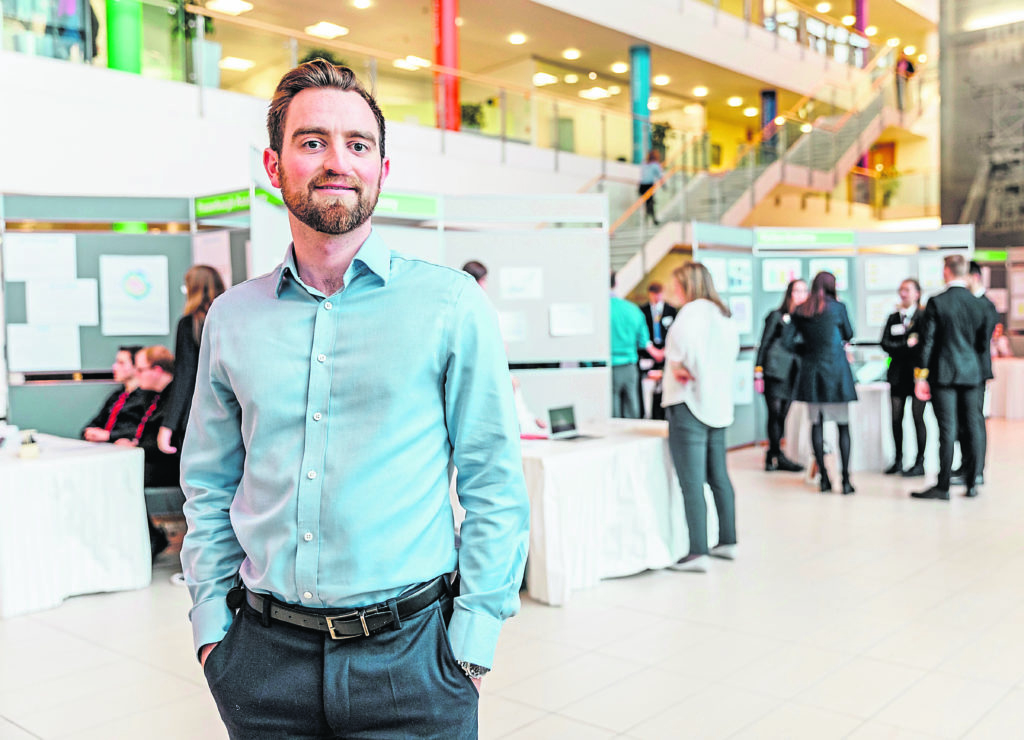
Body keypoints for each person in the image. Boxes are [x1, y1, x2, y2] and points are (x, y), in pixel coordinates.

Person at [180, 60, 529, 739]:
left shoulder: (450, 305)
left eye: (358, 144)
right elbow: (207, 482)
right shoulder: (232, 318)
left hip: (415, 661)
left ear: (382, 170)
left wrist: (473, 641)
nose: (338, 160)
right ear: (274, 166)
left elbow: (494, 478)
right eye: (312, 141)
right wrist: (212, 632)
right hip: (261, 661)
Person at [662, 262, 739, 573]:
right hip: (718, 406)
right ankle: (727, 540)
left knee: (691, 480)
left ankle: (697, 551)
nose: (673, 291)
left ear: (688, 285)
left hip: (688, 404)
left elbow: (681, 359)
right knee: (718, 475)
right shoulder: (723, 315)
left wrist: (684, 370)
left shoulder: (689, 316)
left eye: (676, 285)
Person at [912, 255, 989, 500]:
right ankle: (973, 481)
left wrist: (921, 375)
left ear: (946, 271)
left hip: (944, 373)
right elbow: (982, 342)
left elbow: (928, 343)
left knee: (947, 428)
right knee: (974, 425)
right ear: (965, 272)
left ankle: (943, 485)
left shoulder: (937, 302)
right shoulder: (979, 303)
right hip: (972, 373)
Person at [790, 272, 858, 494]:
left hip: (813, 375)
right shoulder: (837, 307)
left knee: (816, 425)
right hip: (836, 373)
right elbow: (849, 333)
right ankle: (846, 480)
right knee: (843, 427)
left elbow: (787, 341)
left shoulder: (802, 309)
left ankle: (824, 479)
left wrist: (807, 352)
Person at [111, 345, 179, 557]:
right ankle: (147, 537)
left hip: (171, 465)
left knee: (122, 476)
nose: (137, 375)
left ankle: (152, 538)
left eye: (140, 370)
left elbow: (171, 445)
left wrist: (136, 447)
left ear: (157, 370)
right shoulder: (153, 396)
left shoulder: (175, 400)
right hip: (152, 458)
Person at [157, 265, 225, 455]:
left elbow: (185, 376)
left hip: (198, 415)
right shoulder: (232, 319)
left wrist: (168, 425)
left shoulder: (190, 324)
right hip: (230, 412)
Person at [950, 260, 999, 486]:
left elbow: (981, 342)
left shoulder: (985, 305)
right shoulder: (968, 303)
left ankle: (977, 471)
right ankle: (966, 465)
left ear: (974, 277)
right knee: (962, 421)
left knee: (974, 420)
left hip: (976, 372)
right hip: (961, 371)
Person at [755, 279, 807, 472]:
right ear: (790, 293)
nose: (801, 295)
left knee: (783, 414)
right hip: (775, 370)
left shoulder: (805, 319)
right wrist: (758, 371)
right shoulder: (776, 316)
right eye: (797, 291)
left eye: (804, 291)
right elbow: (765, 342)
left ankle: (773, 454)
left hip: (794, 372)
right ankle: (775, 454)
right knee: (774, 413)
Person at [880, 279, 928, 477]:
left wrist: (902, 348)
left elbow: (923, 345)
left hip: (917, 375)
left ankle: (920, 461)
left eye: (907, 290)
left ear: (917, 293)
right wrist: (905, 346)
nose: (903, 293)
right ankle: (898, 459)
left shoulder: (923, 317)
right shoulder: (893, 318)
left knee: (918, 417)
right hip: (897, 375)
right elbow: (884, 343)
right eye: (901, 290)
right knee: (896, 418)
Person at [610, 272, 662, 418]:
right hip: (630, 368)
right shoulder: (633, 310)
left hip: (607, 369)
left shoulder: (599, 309)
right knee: (632, 411)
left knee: (612, 412)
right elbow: (644, 342)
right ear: (616, 284)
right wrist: (659, 354)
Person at [80, 344, 152, 443]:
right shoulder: (117, 396)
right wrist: (89, 432)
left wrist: (109, 436)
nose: (114, 366)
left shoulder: (148, 397)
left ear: (137, 366)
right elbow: (96, 422)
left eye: (121, 363)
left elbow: (149, 430)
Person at [640, 282, 677, 420]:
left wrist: (665, 350)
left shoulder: (670, 310)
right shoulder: (642, 311)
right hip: (648, 353)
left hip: (665, 351)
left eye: (659, 293)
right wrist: (652, 350)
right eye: (654, 294)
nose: (657, 297)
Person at [638, 148, 664, 226]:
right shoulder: (655, 165)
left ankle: (648, 218)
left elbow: (643, 175)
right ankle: (652, 219)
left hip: (642, 186)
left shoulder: (643, 163)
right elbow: (660, 176)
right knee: (650, 203)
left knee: (648, 203)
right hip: (648, 185)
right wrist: (663, 185)